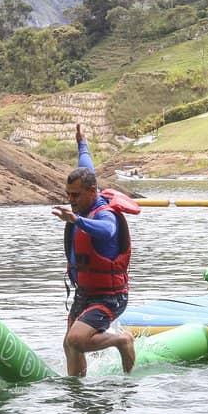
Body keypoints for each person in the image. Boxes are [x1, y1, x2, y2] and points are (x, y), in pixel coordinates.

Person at [51, 123, 137, 377]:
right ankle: (78, 397)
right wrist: (82, 142)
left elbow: (106, 232)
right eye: (67, 194)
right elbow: (86, 164)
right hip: (85, 292)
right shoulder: (85, 195)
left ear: (92, 191)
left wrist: (77, 221)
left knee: (77, 339)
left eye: (75, 195)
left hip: (110, 296)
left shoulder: (105, 215)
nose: (71, 200)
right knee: (70, 345)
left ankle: (122, 341)